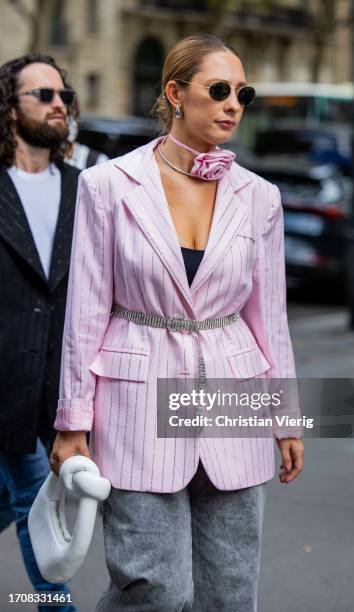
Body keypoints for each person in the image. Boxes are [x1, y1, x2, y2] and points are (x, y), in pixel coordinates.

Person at [50, 34, 305, 611]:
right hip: (135, 402)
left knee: (231, 592)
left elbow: (271, 318)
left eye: (243, 93)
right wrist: (72, 422)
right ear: (175, 93)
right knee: (153, 589)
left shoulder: (260, 197)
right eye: (218, 90)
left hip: (234, 399)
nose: (233, 104)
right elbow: (85, 311)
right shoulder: (108, 185)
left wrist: (285, 417)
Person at [0, 53, 79, 611]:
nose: (59, 106)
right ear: (9, 109)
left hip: (53, 388)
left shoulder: (88, 188)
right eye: (44, 96)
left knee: (17, 500)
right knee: (35, 504)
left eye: (64, 97)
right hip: (2, 379)